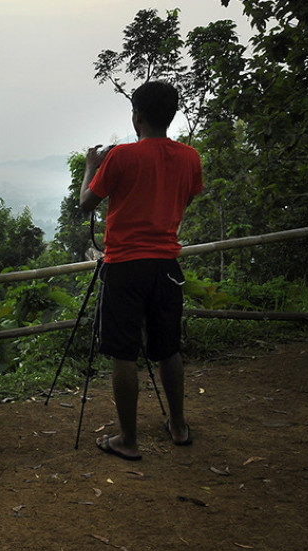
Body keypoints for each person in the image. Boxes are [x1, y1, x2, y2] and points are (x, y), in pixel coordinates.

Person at [79, 81, 203, 461]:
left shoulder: (120, 158)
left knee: (124, 353)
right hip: (166, 264)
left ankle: (128, 440)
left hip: (125, 265)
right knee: (168, 349)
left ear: (136, 116)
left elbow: (86, 204)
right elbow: (185, 197)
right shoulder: (189, 157)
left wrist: (90, 167)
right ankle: (179, 426)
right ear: (172, 114)